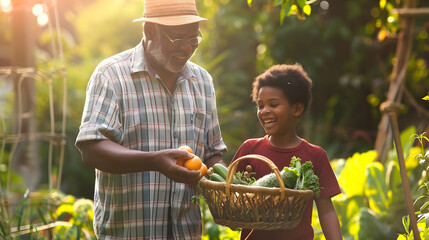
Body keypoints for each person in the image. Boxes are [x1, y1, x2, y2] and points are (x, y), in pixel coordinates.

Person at [75, 0, 227, 239]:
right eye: (178, 38)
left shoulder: (202, 81)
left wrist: (230, 184)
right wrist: (154, 162)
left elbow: (212, 152)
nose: (187, 48)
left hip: (186, 233)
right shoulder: (111, 75)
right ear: (149, 31)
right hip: (128, 233)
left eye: (194, 39)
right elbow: (91, 149)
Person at [231, 64, 342, 240]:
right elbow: (230, 200)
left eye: (273, 104)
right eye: (260, 106)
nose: (264, 111)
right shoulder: (249, 150)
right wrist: (243, 187)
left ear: (296, 109)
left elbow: (326, 212)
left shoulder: (315, 155)